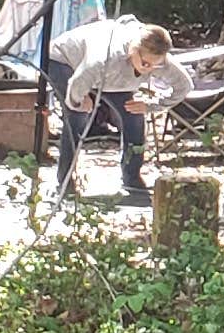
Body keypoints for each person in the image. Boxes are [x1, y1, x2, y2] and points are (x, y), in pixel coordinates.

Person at [46, 16, 177, 200]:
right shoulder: (105, 56)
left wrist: (152, 106)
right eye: (145, 64)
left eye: (156, 65)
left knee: (134, 116)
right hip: (65, 60)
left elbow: (184, 86)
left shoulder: (157, 59)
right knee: (77, 116)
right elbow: (78, 81)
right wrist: (79, 100)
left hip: (108, 76)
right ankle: (65, 181)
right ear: (133, 50)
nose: (149, 69)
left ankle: (132, 178)